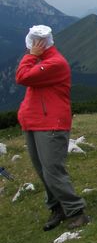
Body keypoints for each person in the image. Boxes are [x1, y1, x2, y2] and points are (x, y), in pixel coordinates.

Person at [16, 25, 89, 231]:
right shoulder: (44, 61)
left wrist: (31, 56)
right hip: (33, 122)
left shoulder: (55, 63)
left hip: (50, 124)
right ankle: (57, 207)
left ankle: (76, 210)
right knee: (42, 171)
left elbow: (22, 77)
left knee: (52, 171)